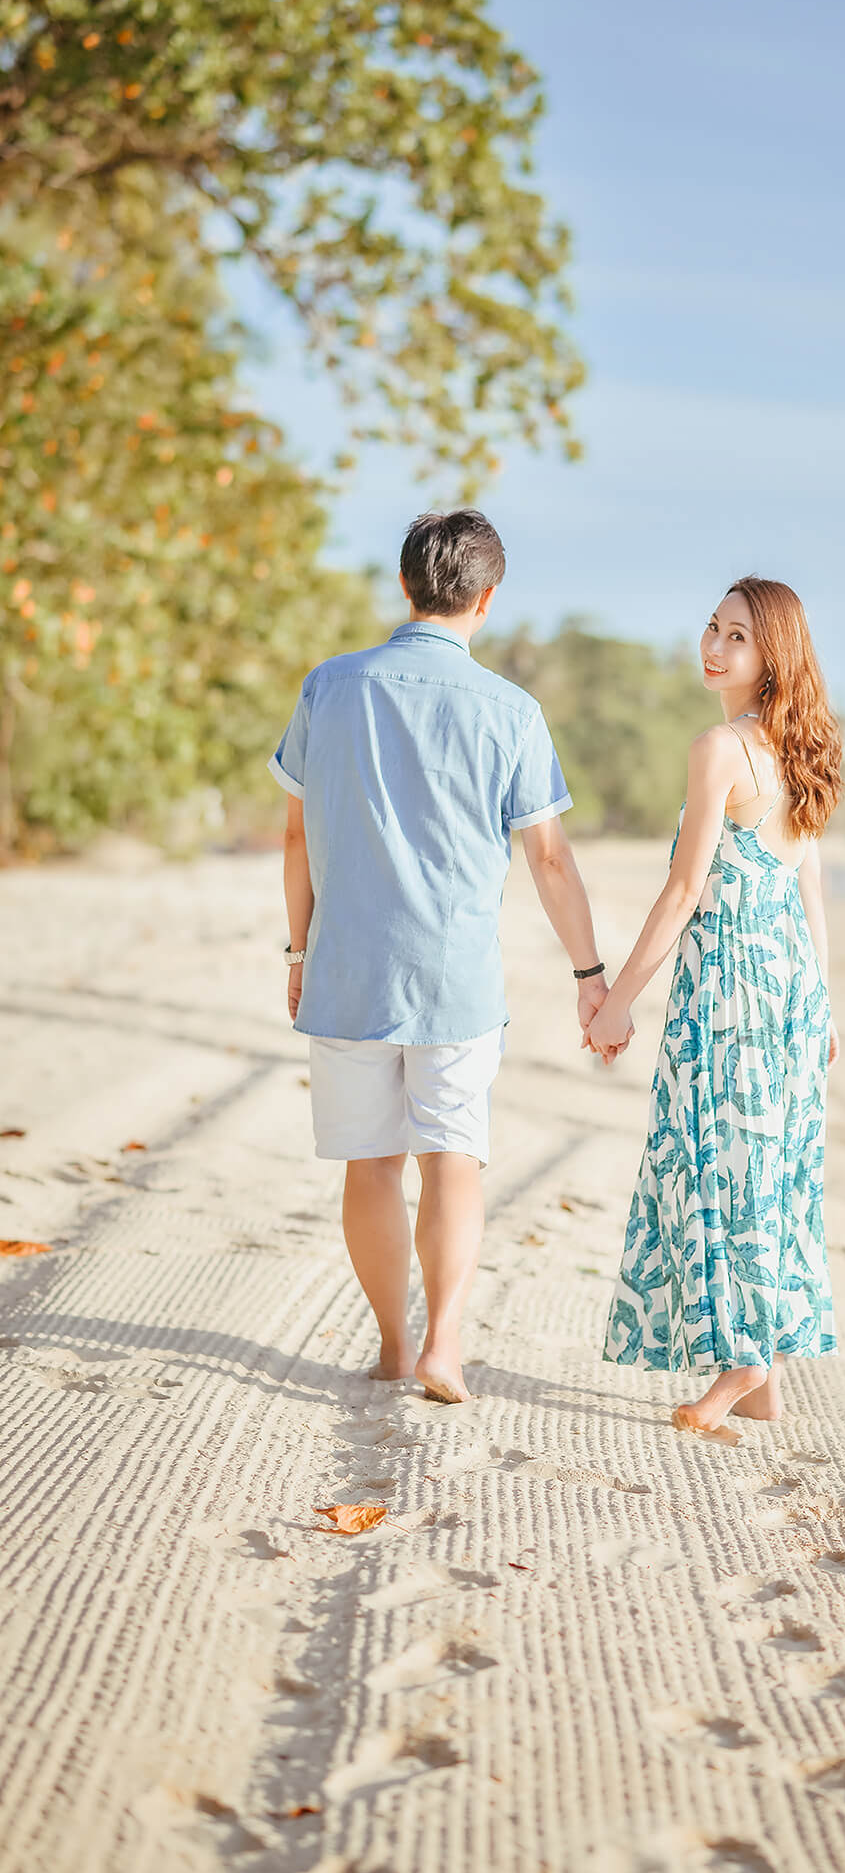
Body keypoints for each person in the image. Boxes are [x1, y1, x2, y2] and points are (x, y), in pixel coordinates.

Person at [269, 509, 617, 1404]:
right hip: (455, 982)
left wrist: (298, 948)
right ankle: (445, 1344)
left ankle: (391, 1346)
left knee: (371, 1164)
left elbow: (296, 837)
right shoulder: (511, 710)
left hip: (347, 970)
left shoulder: (330, 688)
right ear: (487, 598)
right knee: (452, 1159)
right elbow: (549, 858)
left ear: (404, 584)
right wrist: (590, 975)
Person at [588, 576, 841, 1439]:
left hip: (733, 987)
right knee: (765, 1169)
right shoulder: (798, 746)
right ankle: (763, 1374)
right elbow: (808, 879)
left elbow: (686, 888)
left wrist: (618, 1000)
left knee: (716, 1166)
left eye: (736, 635)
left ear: (773, 653)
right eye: (712, 627)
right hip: (789, 988)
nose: (714, 645)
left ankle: (741, 1363)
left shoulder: (722, 748)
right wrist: (825, 1001)